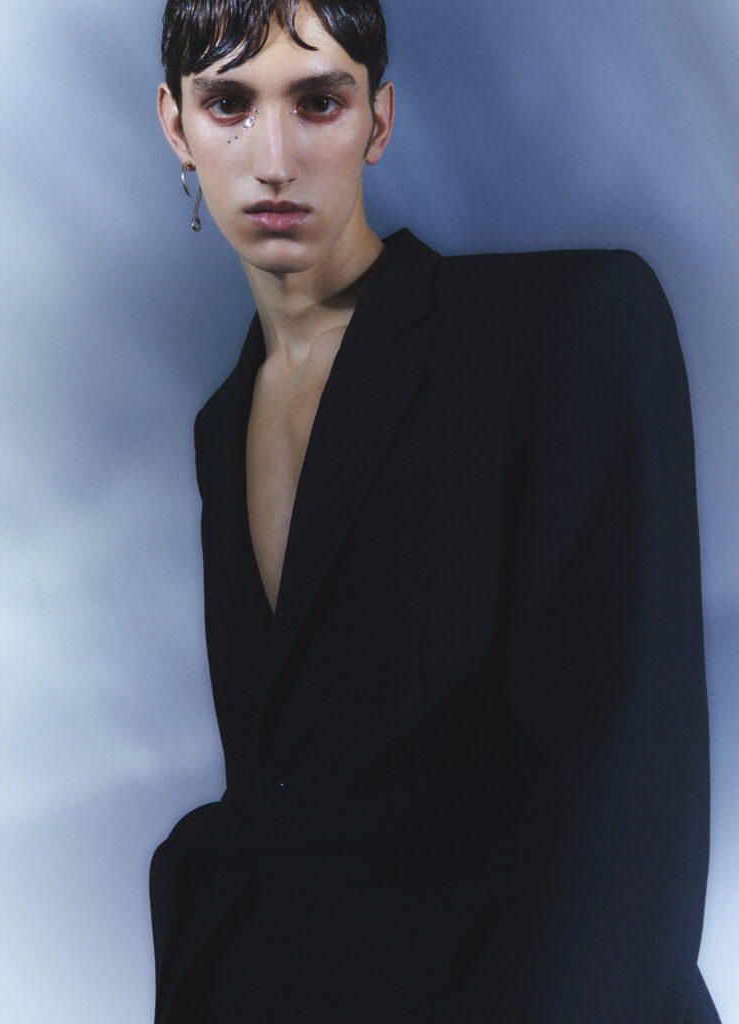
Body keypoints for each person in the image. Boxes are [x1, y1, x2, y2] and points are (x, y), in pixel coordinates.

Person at [150, 1, 721, 1021]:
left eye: (317, 102)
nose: (274, 160)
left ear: (378, 119)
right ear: (175, 126)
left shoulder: (565, 326)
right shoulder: (219, 427)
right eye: (229, 104)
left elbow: (631, 802)